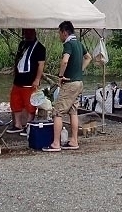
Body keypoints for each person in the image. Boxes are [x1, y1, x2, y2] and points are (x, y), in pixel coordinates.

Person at [43, 21, 91, 152]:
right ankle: (74, 140)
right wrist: (79, 70)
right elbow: (88, 57)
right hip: (79, 82)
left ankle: (56, 143)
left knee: (57, 112)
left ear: (64, 32)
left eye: (59, 33)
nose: (59, 36)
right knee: (73, 111)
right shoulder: (79, 44)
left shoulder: (68, 44)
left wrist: (60, 76)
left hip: (69, 83)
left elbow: (65, 60)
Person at [6, 28, 46, 135]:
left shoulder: (40, 48)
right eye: (25, 32)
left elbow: (41, 65)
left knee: (30, 104)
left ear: (34, 32)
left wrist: (37, 79)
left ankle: (28, 125)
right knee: (15, 102)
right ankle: (17, 125)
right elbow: (18, 60)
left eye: (29, 32)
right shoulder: (22, 44)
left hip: (30, 80)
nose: (27, 34)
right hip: (18, 80)